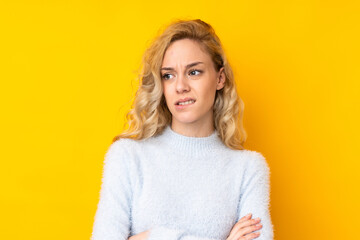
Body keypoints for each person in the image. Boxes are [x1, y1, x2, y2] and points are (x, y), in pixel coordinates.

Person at [91, 19, 274, 240]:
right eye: (168, 75)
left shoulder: (248, 168)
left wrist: (146, 237)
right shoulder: (127, 156)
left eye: (194, 72)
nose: (180, 86)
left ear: (220, 78)